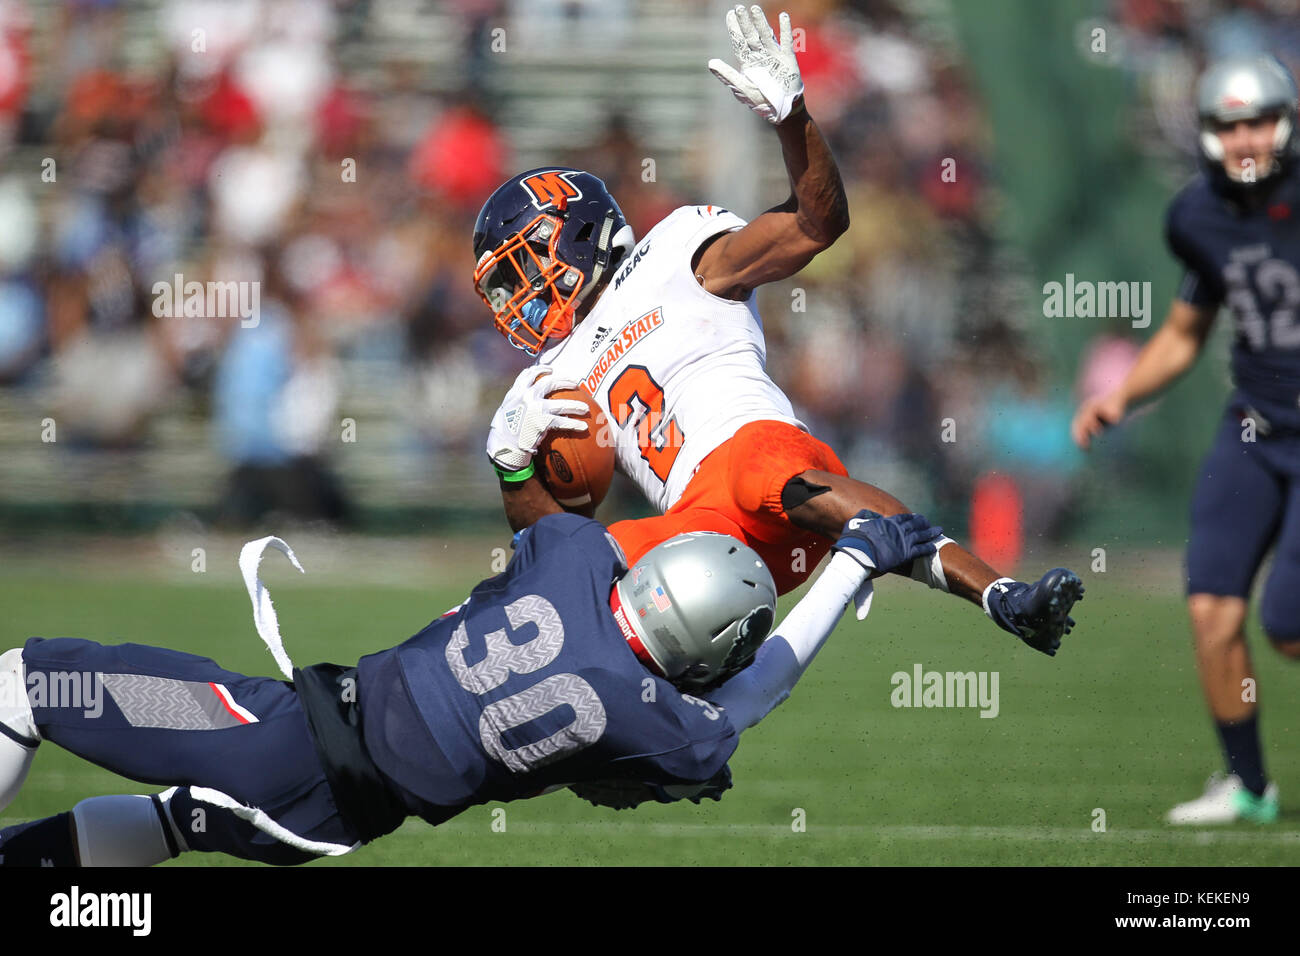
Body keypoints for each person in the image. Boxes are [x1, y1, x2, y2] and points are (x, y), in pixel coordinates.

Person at [474, 4, 1082, 655]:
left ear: (578, 231)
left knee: (762, 465)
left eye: (523, 268)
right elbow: (553, 542)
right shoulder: (550, 376)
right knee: (544, 583)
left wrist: (794, 121)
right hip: (696, 538)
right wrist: (514, 471)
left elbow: (816, 224)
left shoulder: (674, 253)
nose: (523, 299)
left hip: (760, 474)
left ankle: (1000, 595)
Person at [0, 508, 942, 866]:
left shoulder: (573, 561)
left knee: (21, 686)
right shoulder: (647, 717)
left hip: (279, 737)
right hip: (331, 825)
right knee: (171, 825)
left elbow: (562, 514)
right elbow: (758, 694)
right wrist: (853, 564)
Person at [1071, 54, 1300, 824]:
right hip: (1255, 424)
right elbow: (1186, 328)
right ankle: (1250, 787)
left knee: (1289, 626)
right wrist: (1120, 395)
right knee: (1212, 609)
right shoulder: (1197, 214)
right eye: (1231, 124)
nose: (1246, 139)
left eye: (1258, 120)